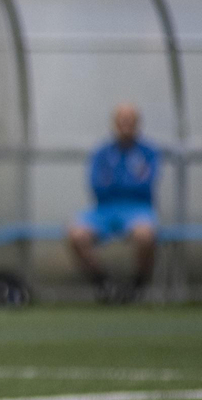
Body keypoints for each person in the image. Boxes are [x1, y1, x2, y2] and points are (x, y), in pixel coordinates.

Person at [67, 102, 160, 302]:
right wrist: (127, 182)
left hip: (137, 208)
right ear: (114, 124)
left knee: (145, 236)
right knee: (76, 234)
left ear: (137, 124)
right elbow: (97, 186)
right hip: (105, 209)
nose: (125, 125)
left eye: (130, 121)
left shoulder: (148, 152)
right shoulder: (102, 152)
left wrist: (116, 181)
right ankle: (103, 284)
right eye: (121, 121)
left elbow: (145, 185)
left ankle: (137, 287)